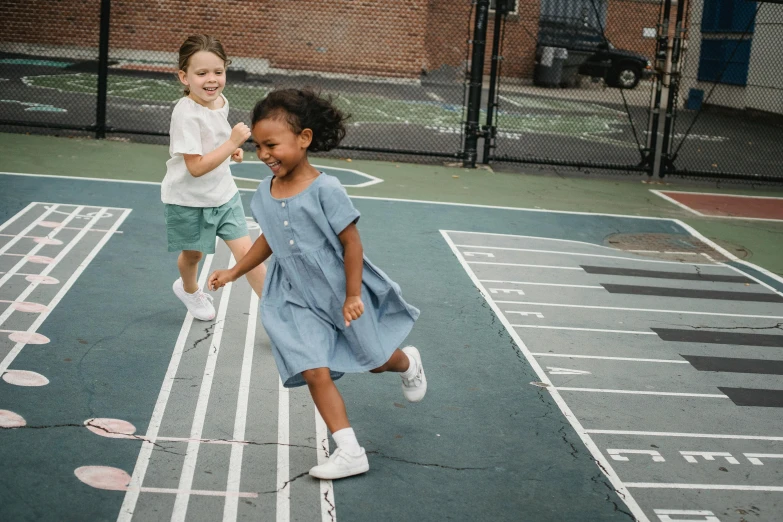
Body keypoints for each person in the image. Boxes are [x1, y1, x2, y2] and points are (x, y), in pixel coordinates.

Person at [208, 88, 427, 480]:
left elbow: (351, 243)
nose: (264, 154)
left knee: (376, 362)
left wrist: (353, 294)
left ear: (304, 139)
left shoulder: (327, 189)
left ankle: (407, 361)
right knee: (313, 369)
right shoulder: (264, 191)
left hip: (339, 290)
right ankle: (349, 451)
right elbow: (269, 239)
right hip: (294, 296)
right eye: (258, 146)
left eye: (272, 144)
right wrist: (234, 271)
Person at [162, 35, 266, 321]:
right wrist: (232, 144)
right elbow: (194, 167)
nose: (212, 80)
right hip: (189, 200)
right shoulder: (185, 115)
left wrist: (229, 150)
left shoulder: (220, 100)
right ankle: (189, 289)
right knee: (193, 257)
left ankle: (278, 319)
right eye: (202, 73)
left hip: (224, 195)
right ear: (184, 76)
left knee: (248, 256)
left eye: (218, 72)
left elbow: (216, 136)